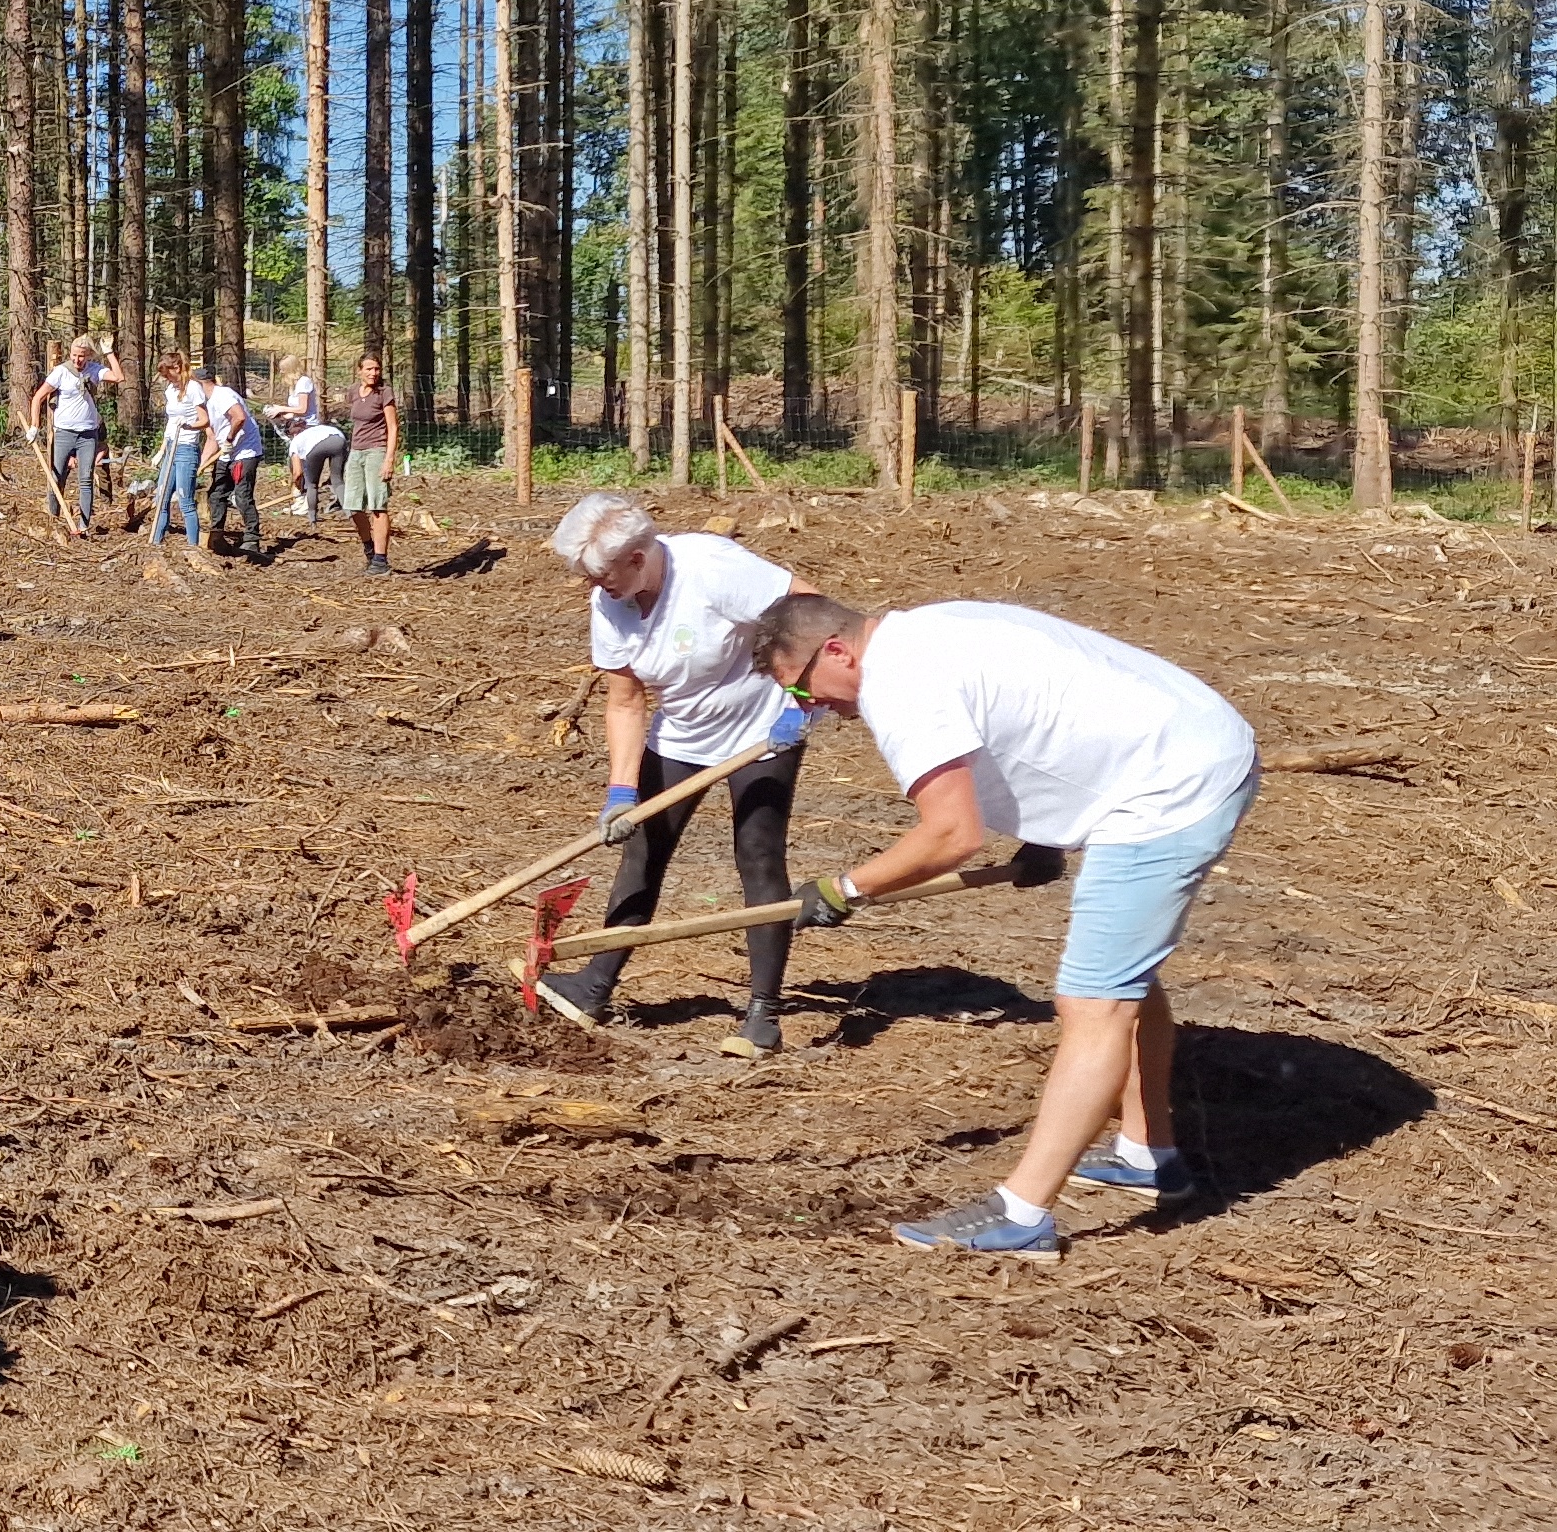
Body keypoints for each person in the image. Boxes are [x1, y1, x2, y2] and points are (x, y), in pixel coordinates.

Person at [748, 591, 1260, 1260]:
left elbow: (952, 834)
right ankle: (1146, 1152)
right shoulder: (924, 628)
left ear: (837, 651)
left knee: (1092, 1002)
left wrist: (847, 888)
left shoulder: (901, 685)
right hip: (1191, 747)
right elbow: (1036, 713)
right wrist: (1046, 831)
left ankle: (1023, 1214)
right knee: (1122, 977)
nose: (815, 709)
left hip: (1168, 792)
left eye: (807, 690)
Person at [538, 494, 819, 1056]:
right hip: (683, 732)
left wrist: (800, 698)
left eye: (600, 574)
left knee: (758, 854)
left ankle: (762, 1013)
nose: (593, 588)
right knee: (642, 850)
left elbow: (811, 609)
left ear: (639, 558)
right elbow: (625, 700)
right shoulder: (611, 601)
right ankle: (595, 986)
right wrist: (621, 790)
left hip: (763, 727)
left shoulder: (712, 568)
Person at [22, 336, 115, 537]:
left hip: (88, 434)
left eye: (81, 356)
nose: (77, 360)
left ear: (88, 355)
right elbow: (38, 398)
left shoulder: (95, 370)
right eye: (74, 355)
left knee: (86, 479)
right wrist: (34, 426)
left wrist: (109, 352)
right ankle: (53, 519)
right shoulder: (61, 372)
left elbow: (118, 377)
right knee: (56, 477)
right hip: (64, 432)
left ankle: (83, 525)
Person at [339, 354, 404, 574]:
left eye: (376, 369)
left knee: (377, 505)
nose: (373, 373)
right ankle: (368, 547)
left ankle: (380, 559)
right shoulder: (354, 392)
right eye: (368, 369)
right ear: (359, 370)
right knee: (354, 506)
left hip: (377, 451)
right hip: (356, 452)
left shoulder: (384, 393)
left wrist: (389, 458)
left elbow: (393, 427)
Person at [148, 357, 210, 548]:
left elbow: (205, 420)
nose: (168, 379)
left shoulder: (193, 388)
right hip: (170, 447)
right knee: (162, 496)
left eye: (169, 374)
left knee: (185, 501)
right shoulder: (171, 390)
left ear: (177, 368)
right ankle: (156, 542)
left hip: (186, 449)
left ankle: (193, 546)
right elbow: (170, 422)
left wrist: (189, 425)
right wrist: (161, 450)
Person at [202, 372, 264, 557]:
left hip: (244, 453)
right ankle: (216, 535)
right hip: (226, 453)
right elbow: (212, 438)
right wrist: (202, 464)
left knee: (242, 496)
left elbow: (239, 417)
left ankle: (251, 539)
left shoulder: (222, 395)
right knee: (216, 494)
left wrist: (229, 439)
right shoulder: (209, 403)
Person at [286, 412, 349, 522]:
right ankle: (350, 513)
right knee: (338, 480)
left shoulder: (295, 442)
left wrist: (298, 488)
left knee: (312, 484)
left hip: (316, 447)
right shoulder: (316, 428)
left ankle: (312, 518)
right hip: (339, 438)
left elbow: (297, 473)